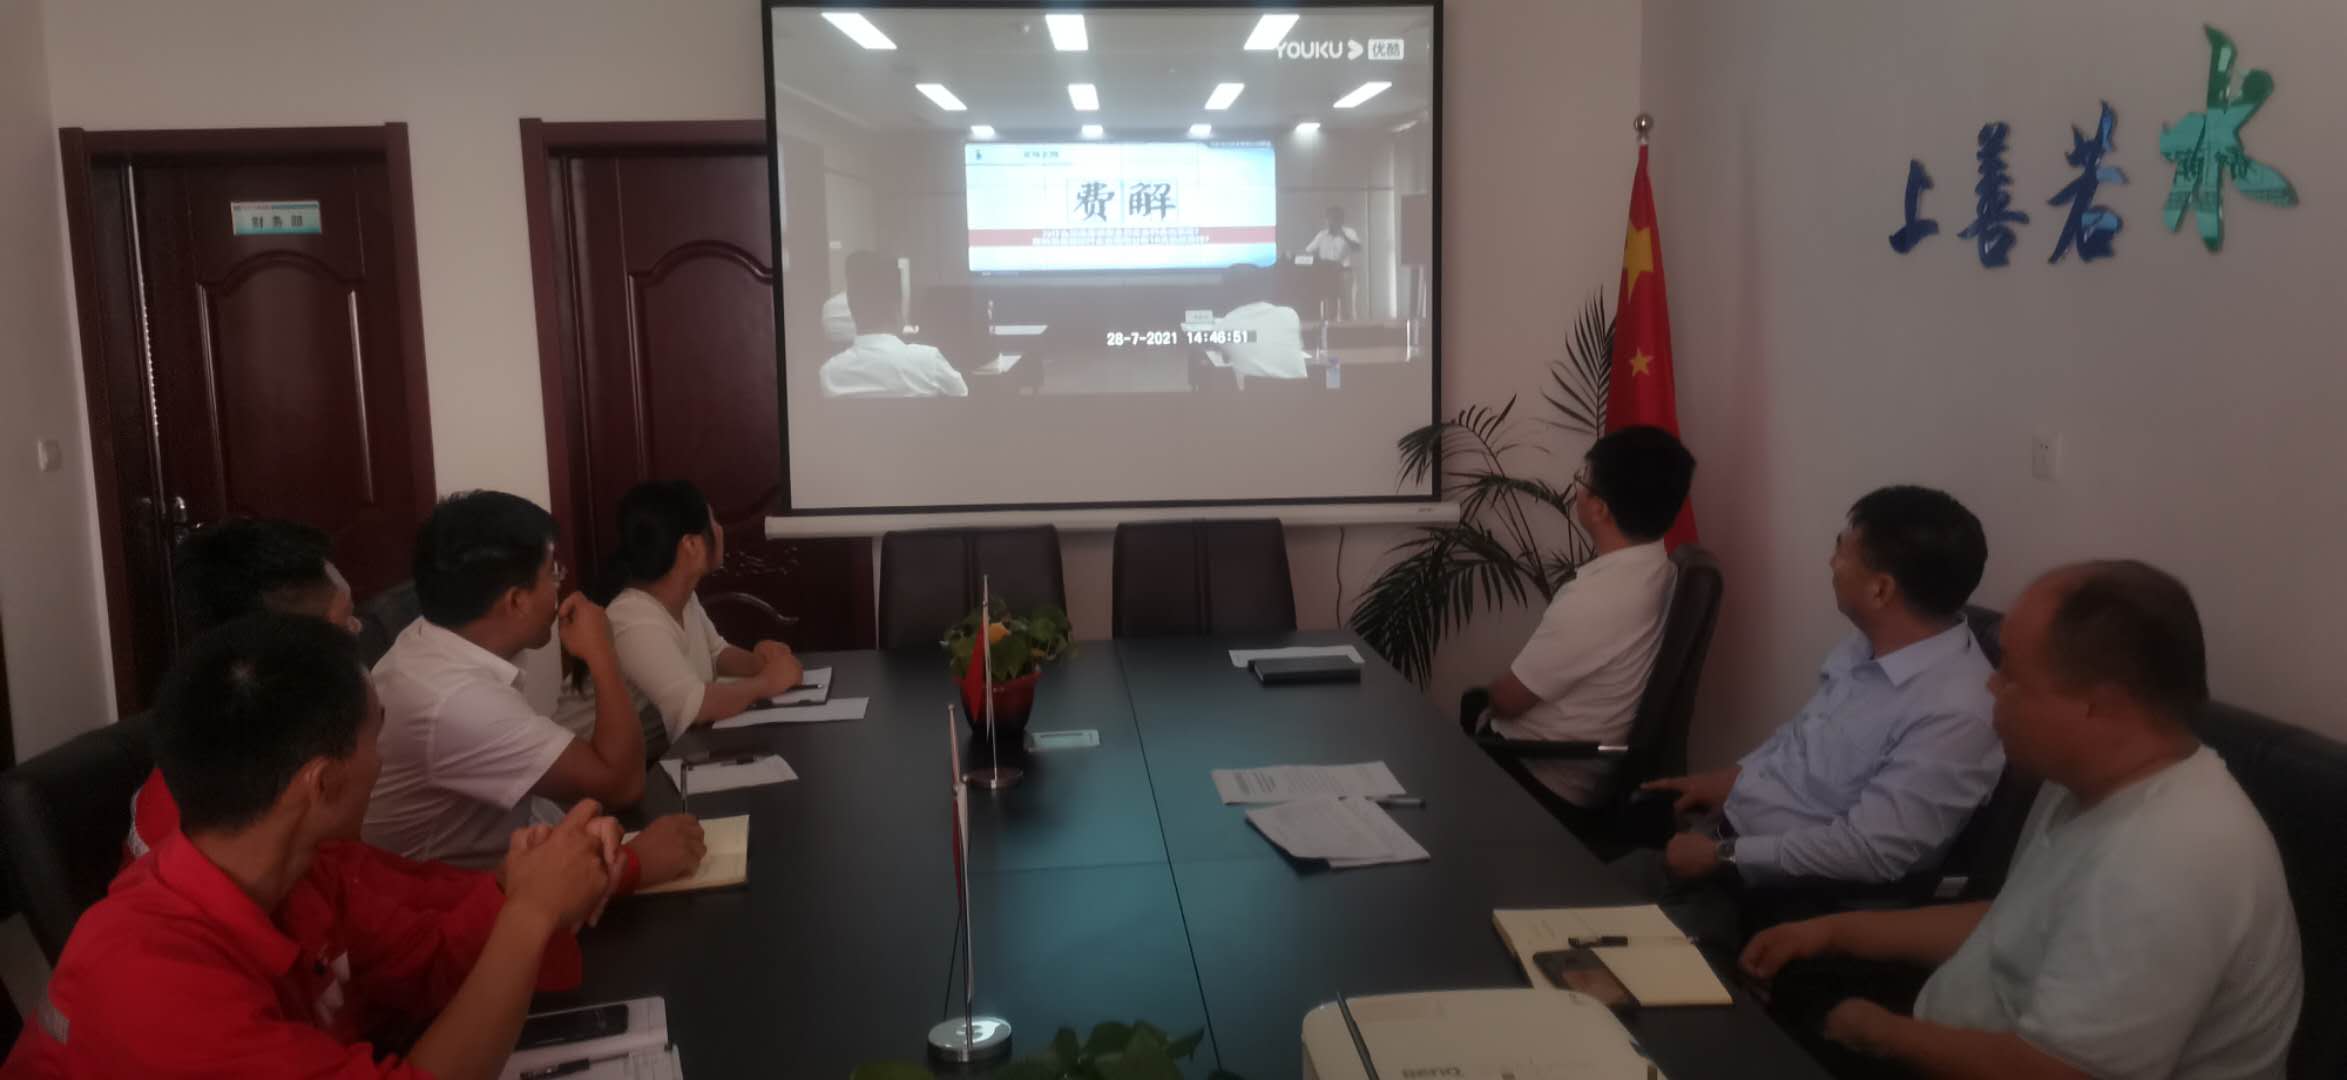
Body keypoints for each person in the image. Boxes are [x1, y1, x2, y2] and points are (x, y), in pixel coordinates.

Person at [1740, 561, 2302, 1080]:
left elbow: (2059, 1074)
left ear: (2097, 705)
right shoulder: (2081, 782)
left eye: (2011, 674)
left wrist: (1880, 1032)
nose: (1991, 686)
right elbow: (2013, 923)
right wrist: (1833, 932)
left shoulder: (2169, 858)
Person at [3, 614, 613, 1078]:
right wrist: (530, 913)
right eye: (375, 735)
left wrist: (520, 881)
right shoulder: (151, 980)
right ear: (323, 783)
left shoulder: (302, 870)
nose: (383, 760)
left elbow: (422, 966)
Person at [1642, 486, 2000, 889]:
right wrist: (1733, 780)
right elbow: (1803, 745)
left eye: (1842, 551)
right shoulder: (1870, 643)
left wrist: (1722, 856)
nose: (1832, 563)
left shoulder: (1956, 711)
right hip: (1726, 834)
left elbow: (1870, 851)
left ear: (1880, 590)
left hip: (1785, 893)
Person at [365, 491, 704, 888]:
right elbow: (623, 785)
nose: (560, 585)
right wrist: (602, 653)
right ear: (517, 601)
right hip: (461, 904)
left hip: (512, 868)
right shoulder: (458, 702)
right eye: (552, 574)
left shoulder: (428, 639)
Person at [1477, 426, 1695, 807]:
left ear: (1599, 508)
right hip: (1576, 772)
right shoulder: (1662, 572)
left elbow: (1508, 700)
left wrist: (1486, 700)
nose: (1577, 489)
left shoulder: (1597, 598)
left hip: (1536, 777)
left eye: (1583, 481)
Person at [129, 518, 360, 857]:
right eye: (345, 620)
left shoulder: (283, 731)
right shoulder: (225, 814)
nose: (358, 629)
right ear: (290, 648)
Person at [553, 480, 804, 742]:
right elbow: (695, 707)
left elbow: (716, 653)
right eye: (713, 521)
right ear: (691, 544)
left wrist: (760, 663)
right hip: (584, 760)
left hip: (642, 754)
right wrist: (766, 683)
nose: (720, 530)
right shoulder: (633, 618)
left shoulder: (682, 597)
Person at [818, 251, 967, 398]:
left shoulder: (829, 375)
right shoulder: (930, 362)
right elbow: (963, 402)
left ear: (852, 308)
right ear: (897, 308)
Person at [1210, 262, 1310, 381]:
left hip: (1252, 393)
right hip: (1300, 392)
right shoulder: (1290, 315)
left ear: (1228, 292)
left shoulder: (1223, 327)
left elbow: (1222, 356)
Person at [1301, 205, 1361, 319]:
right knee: (1330, 307)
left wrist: (1343, 236)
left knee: (1347, 306)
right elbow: (1308, 251)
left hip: (1344, 272)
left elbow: (1357, 248)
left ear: (1341, 220)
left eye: (1335, 218)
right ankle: (1331, 327)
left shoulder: (1349, 232)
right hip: (1327, 273)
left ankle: (1350, 327)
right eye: (1329, 218)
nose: (1332, 222)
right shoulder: (1322, 235)